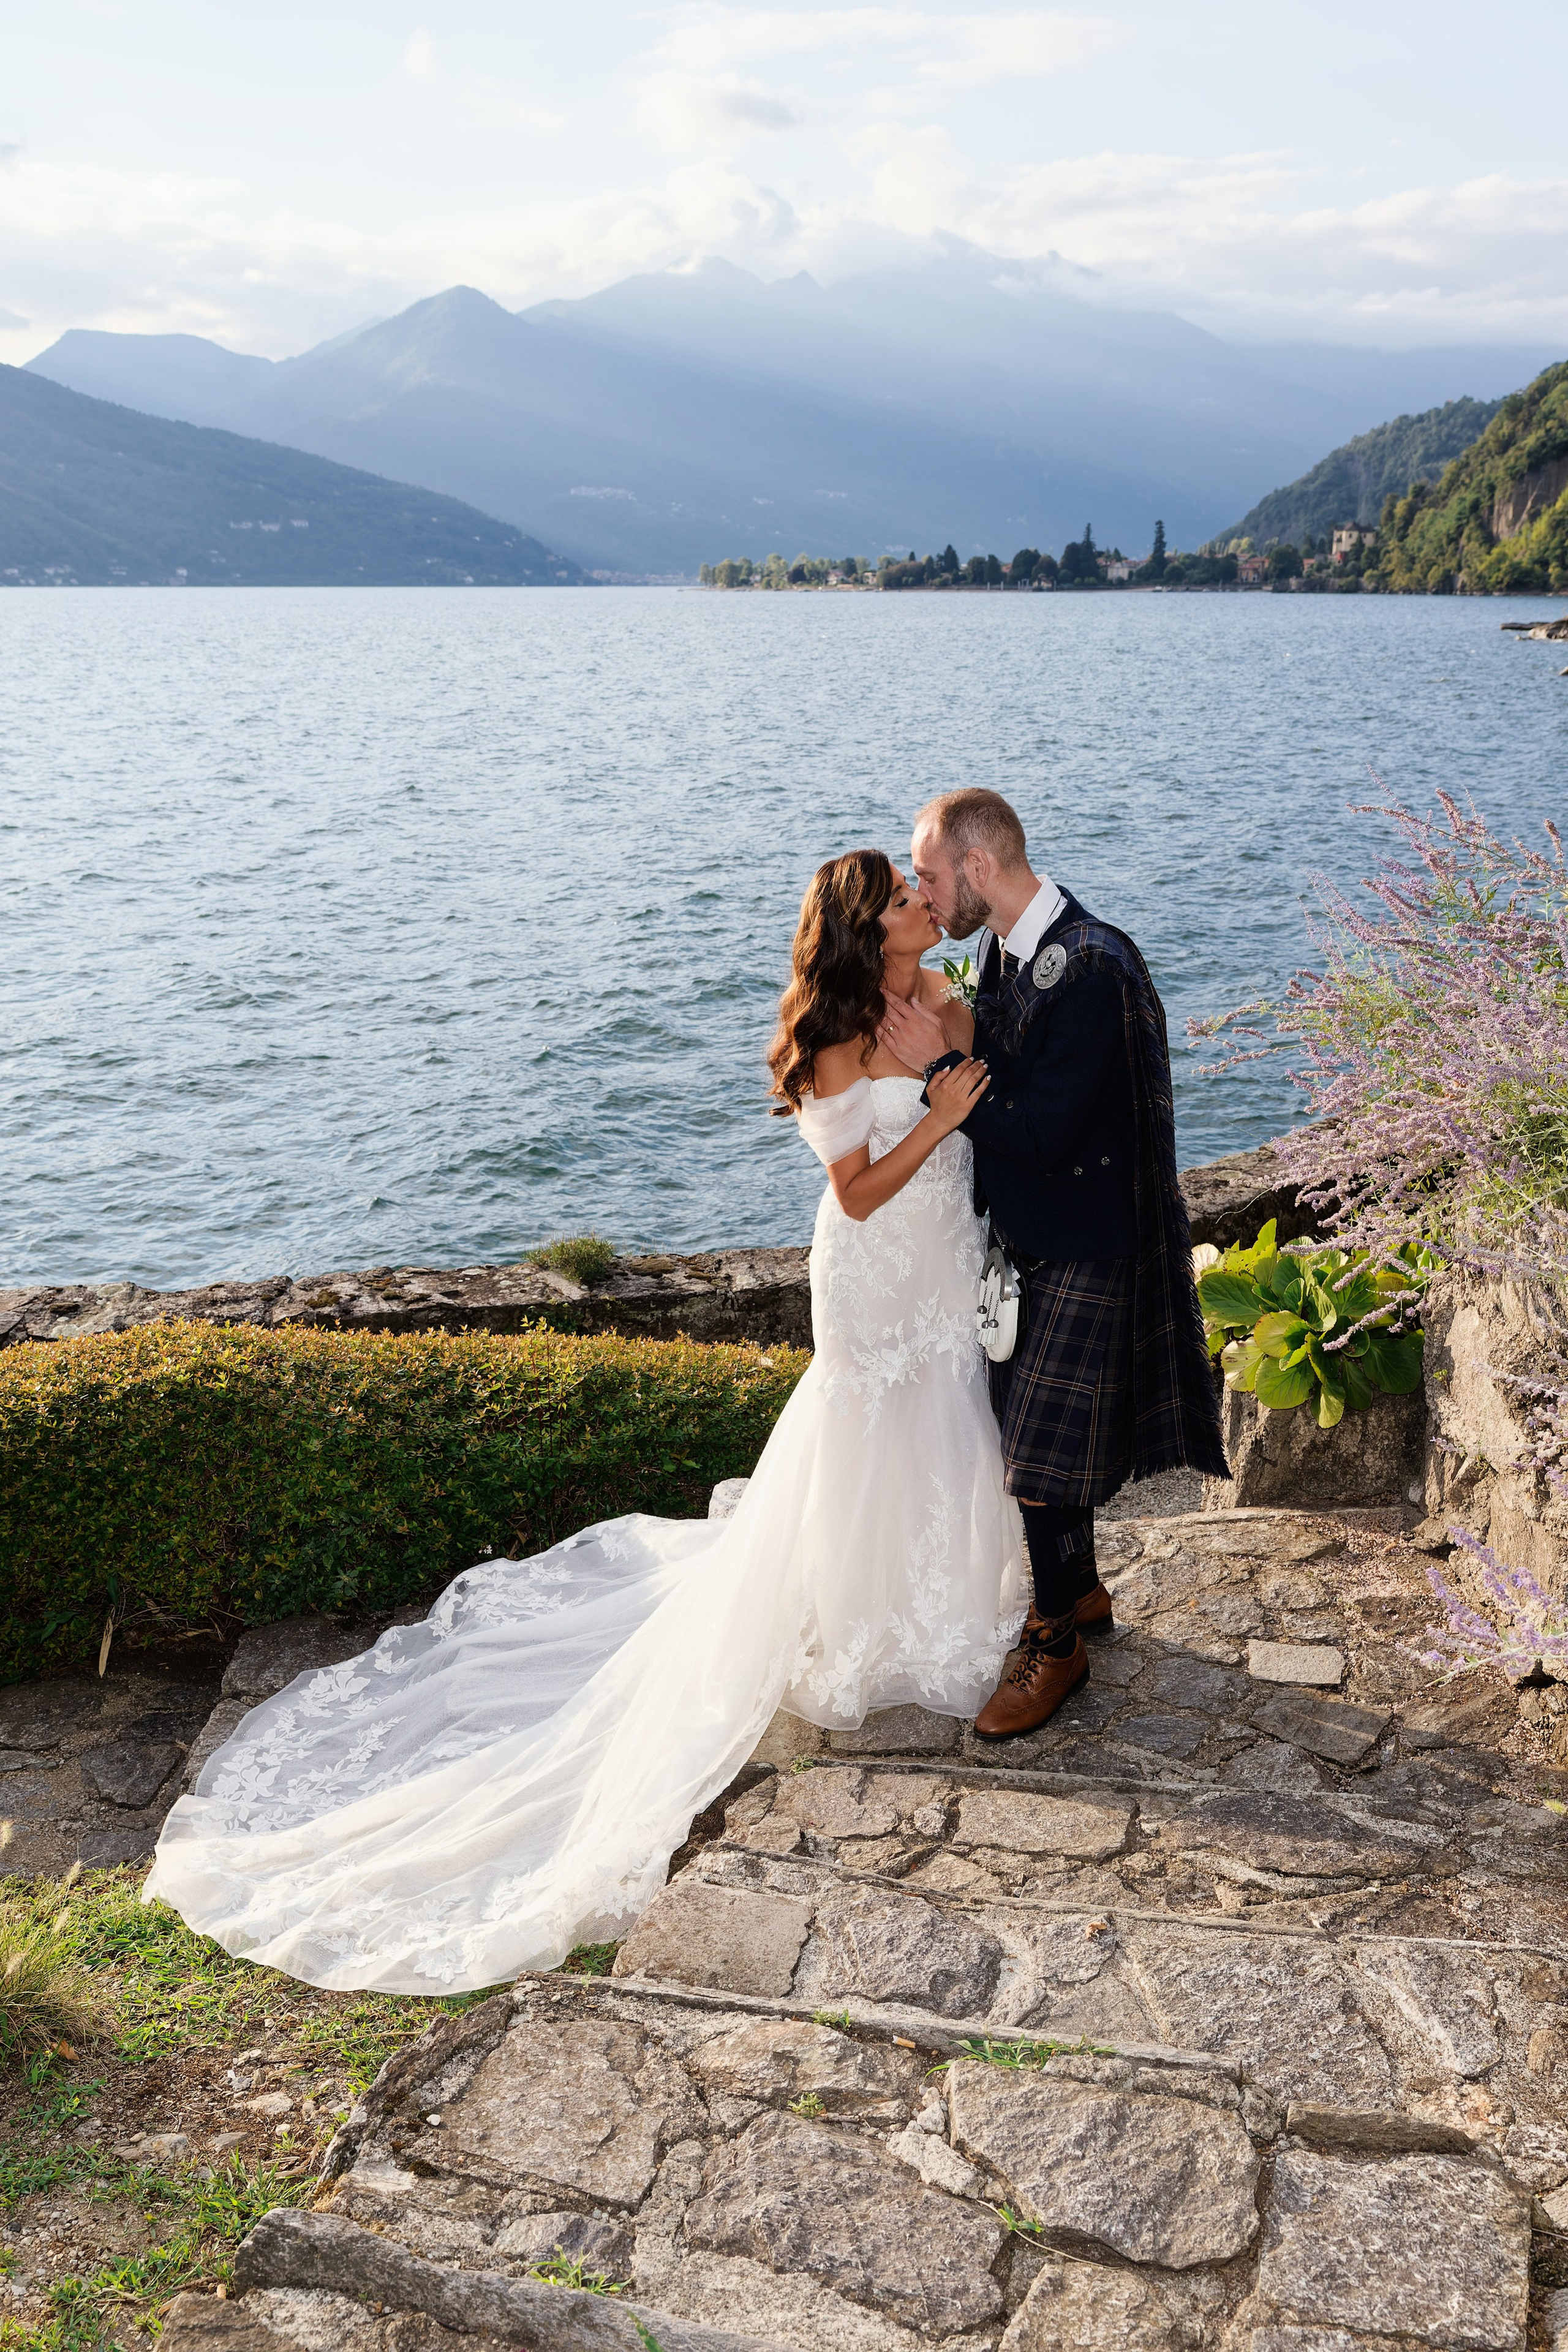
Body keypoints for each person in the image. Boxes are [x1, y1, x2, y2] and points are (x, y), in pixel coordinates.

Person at [143, 849, 1028, 1994]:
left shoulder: (946, 995)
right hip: (873, 1265)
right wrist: (941, 1115)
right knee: (868, 1426)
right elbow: (854, 1193)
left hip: (945, 1250)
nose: (925, 903)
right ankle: (862, 1624)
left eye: (921, 890)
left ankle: (940, 1597)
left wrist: (955, 1069)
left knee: (949, 1407)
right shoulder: (831, 1041)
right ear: (869, 929)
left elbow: (992, 1095)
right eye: (906, 898)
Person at [880, 788, 1227, 1738]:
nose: (922, 890)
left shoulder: (1095, 967)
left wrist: (935, 1070)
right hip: (1028, 1234)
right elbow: (1013, 1080)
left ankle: (1056, 1645)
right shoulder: (1006, 948)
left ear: (978, 866)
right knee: (1025, 1438)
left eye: (928, 874)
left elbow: (1043, 1131)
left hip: (1090, 1238)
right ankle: (1081, 1589)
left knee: (1033, 1458)